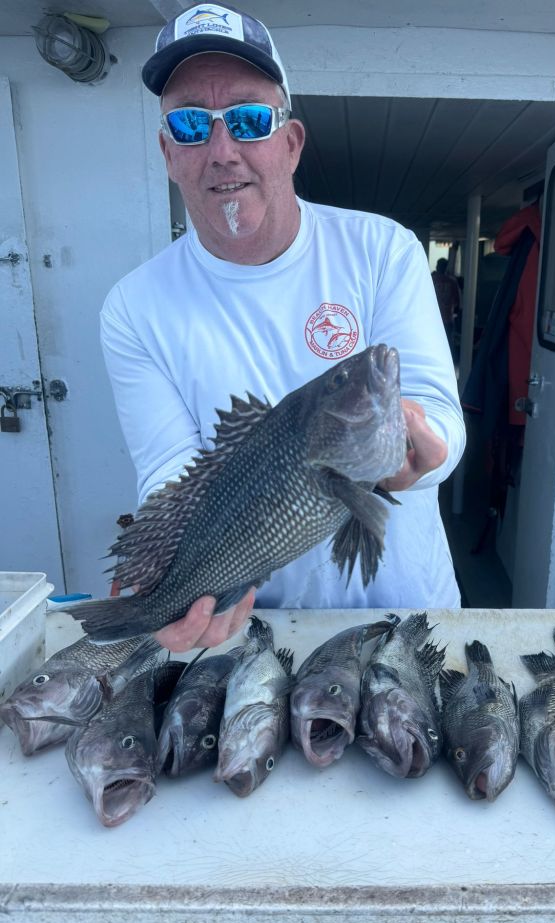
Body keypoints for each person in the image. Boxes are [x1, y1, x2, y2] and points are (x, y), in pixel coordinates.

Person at [100, 3, 466, 653]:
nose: (221, 150)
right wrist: (161, 583)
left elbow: (440, 416)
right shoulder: (134, 306)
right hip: (249, 630)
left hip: (406, 613)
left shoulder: (383, 250)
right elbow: (168, 469)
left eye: (247, 119)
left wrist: (422, 454)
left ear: (289, 142)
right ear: (167, 151)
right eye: (190, 124)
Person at [431, 257, 461, 345]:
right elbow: (457, 302)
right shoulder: (452, 282)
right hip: (448, 319)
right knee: (447, 344)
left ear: (437, 267)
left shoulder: (431, 280)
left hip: (433, 320)